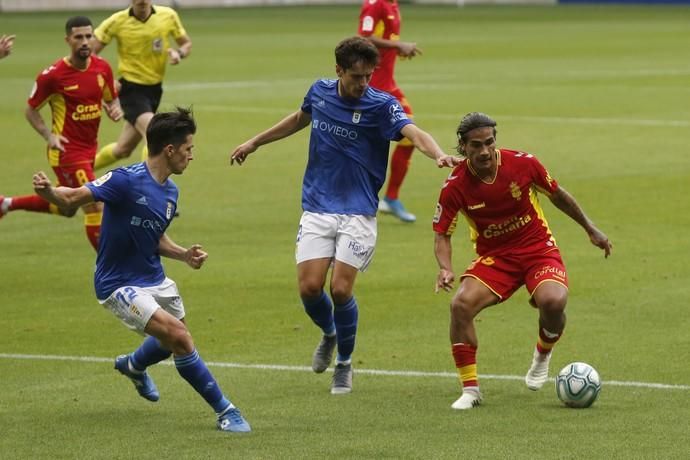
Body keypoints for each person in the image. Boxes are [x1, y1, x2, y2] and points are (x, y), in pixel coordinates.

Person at [230, 36, 459, 395]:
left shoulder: (382, 105)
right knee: (309, 288)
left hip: (358, 211)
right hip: (318, 204)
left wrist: (440, 154)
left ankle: (345, 363)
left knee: (339, 289)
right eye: (357, 76)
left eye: (369, 75)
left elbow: (414, 132)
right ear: (338, 70)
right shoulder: (320, 92)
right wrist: (254, 142)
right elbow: (298, 119)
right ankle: (330, 333)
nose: (364, 83)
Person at [32, 107, 251, 433]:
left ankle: (133, 366)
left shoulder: (170, 192)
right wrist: (49, 191)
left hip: (153, 278)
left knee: (172, 341)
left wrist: (183, 255)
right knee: (179, 337)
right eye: (189, 149)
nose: (192, 156)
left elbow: (154, 236)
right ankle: (227, 410)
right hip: (118, 284)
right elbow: (74, 197)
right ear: (170, 150)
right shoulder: (125, 180)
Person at [433, 112, 612, 410]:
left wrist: (590, 228)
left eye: (489, 143)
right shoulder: (455, 186)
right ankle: (470, 390)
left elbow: (558, 195)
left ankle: (543, 353)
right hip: (496, 258)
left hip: (537, 249)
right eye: (476, 145)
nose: (485, 151)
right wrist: (445, 268)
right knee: (460, 305)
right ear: (463, 147)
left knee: (553, 302)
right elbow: (442, 235)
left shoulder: (524, 164)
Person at [0, 17, 122, 251]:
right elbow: (31, 109)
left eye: (89, 36)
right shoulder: (53, 76)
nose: (85, 41)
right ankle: (114, 269)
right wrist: (49, 136)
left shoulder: (102, 68)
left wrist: (115, 108)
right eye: (79, 37)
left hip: (89, 148)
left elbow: (111, 98)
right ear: (68, 40)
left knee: (67, 207)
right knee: (94, 204)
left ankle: (6, 204)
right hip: (66, 152)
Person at [91, 0, 192, 171]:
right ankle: (149, 186)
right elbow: (90, 54)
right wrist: (107, 80)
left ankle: (82, 170)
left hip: (154, 90)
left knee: (123, 149)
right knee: (153, 132)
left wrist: (178, 54)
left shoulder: (168, 15)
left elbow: (186, 43)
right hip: (130, 88)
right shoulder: (117, 21)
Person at [358, 0, 422, 223]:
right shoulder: (374, 4)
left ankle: (391, 198)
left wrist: (396, 49)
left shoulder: (392, 4)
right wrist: (398, 46)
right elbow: (364, 38)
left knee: (409, 136)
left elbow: (383, 41)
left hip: (388, 84)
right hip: (372, 85)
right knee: (363, 144)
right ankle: (359, 198)